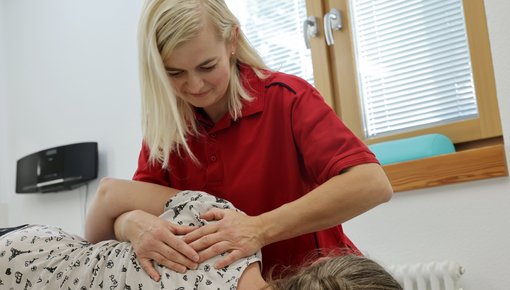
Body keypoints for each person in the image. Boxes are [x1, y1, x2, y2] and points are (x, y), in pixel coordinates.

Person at [98, 0, 394, 280]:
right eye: (174, 73)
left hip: (316, 279)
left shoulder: (286, 98)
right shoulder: (166, 127)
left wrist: (257, 228)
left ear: (232, 41)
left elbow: (372, 184)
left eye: (207, 66)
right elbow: (129, 206)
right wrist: (130, 225)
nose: (194, 86)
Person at [0, 179, 402, 290]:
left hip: (34, 249)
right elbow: (107, 200)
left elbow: (108, 194)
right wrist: (128, 226)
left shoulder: (221, 217)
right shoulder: (222, 222)